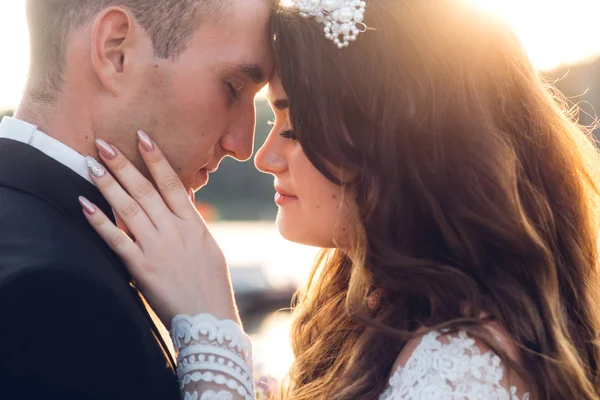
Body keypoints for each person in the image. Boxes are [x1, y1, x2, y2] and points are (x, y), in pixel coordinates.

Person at [81, 0, 600, 399]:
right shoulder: (379, 313)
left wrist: (212, 337)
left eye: (294, 125)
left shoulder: (463, 368)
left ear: (393, 142)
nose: (263, 156)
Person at [0, 0, 273, 399]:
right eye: (232, 88)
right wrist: (214, 334)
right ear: (116, 52)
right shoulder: (54, 296)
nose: (243, 145)